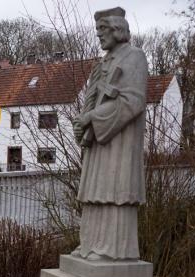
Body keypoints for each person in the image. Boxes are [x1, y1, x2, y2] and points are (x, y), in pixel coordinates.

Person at [71, 7, 148, 261]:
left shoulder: (134, 57)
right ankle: (90, 244)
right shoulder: (102, 63)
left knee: (114, 190)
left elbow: (134, 100)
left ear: (117, 29)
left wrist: (94, 118)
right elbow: (91, 99)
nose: (99, 36)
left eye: (102, 30)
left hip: (119, 140)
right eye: (97, 31)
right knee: (95, 191)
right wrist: (83, 123)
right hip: (99, 140)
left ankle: (113, 250)